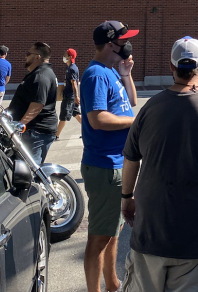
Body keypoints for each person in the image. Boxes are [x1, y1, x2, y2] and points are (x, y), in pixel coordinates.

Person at [120, 37, 198, 292]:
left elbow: (131, 158)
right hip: (196, 235)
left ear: (171, 66)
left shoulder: (150, 108)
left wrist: (127, 197)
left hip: (150, 232)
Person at [80, 20, 138, 292]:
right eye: (123, 40)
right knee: (99, 238)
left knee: (112, 234)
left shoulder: (111, 71)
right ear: (110, 43)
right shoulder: (95, 74)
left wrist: (126, 74)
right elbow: (97, 118)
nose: (127, 45)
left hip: (116, 164)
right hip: (105, 166)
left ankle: (112, 285)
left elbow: (131, 103)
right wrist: (134, 124)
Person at [8, 42, 59, 165]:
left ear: (37, 57)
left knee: (29, 171)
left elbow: (37, 105)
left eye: (28, 54)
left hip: (36, 132)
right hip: (34, 131)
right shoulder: (39, 73)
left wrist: (19, 125)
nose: (26, 57)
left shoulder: (41, 75)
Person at [56, 48, 81, 140]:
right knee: (76, 114)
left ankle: (56, 135)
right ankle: (89, 130)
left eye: (65, 55)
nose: (64, 56)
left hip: (70, 97)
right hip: (70, 96)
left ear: (70, 57)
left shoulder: (72, 68)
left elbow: (74, 83)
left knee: (64, 115)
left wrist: (76, 96)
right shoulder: (70, 68)